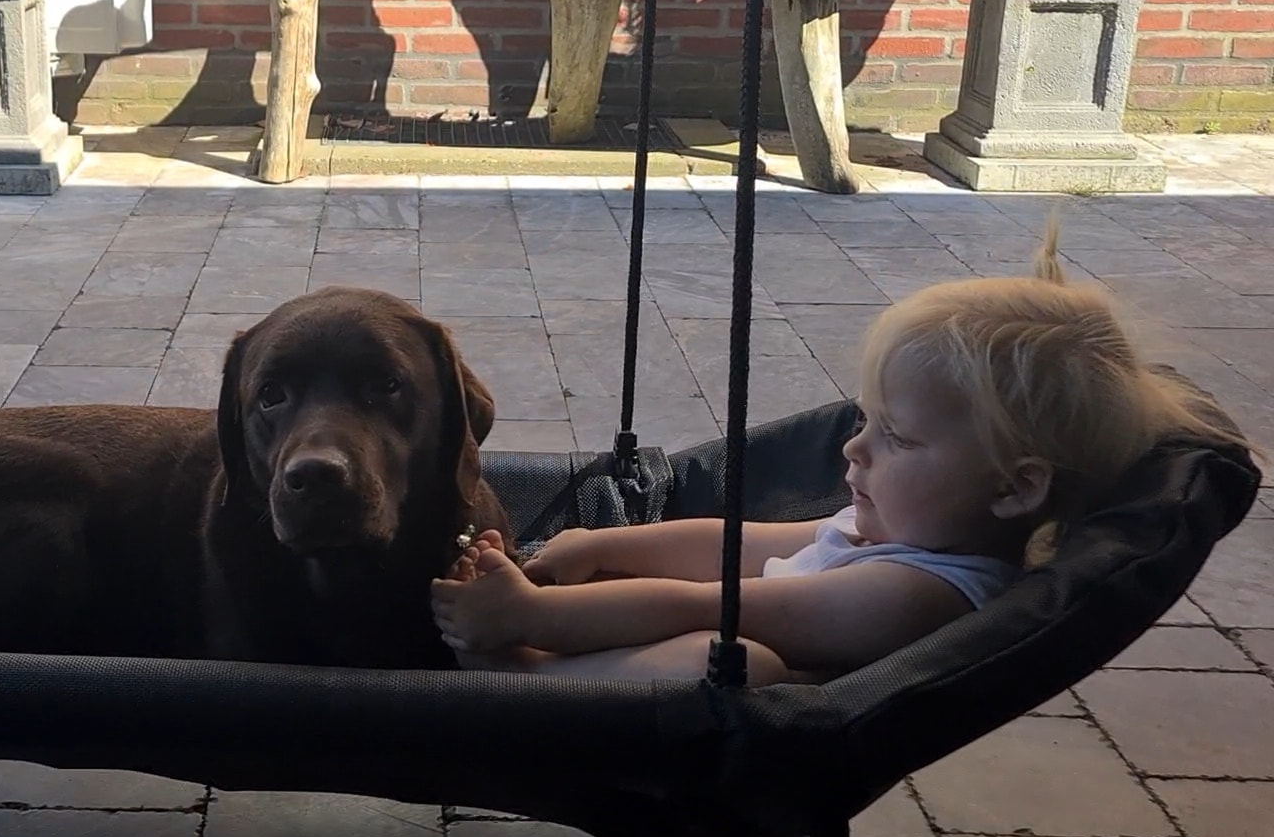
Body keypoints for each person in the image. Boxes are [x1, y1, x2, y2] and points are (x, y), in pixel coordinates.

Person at [431, 214, 1247, 686]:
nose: (853, 449)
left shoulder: (918, 593)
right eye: (867, 422)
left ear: (1013, 489)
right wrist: (598, 545)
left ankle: (526, 675)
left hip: (701, 718)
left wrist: (531, 616)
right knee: (667, 596)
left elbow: (711, 604)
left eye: (896, 436)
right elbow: (736, 545)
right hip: (669, 631)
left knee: (726, 658)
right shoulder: (900, 530)